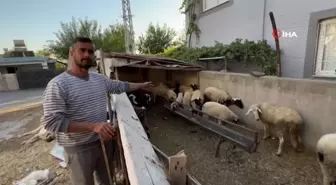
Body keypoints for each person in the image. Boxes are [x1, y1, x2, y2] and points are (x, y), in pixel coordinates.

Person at [41, 37, 154, 185]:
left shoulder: (98, 79)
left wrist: (141, 85)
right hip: (78, 149)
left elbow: (120, 86)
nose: (87, 55)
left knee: (106, 181)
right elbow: (51, 122)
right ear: (72, 53)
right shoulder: (58, 84)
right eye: (82, 50)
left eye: (90, 51)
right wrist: (93, 126)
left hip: (101, 142)